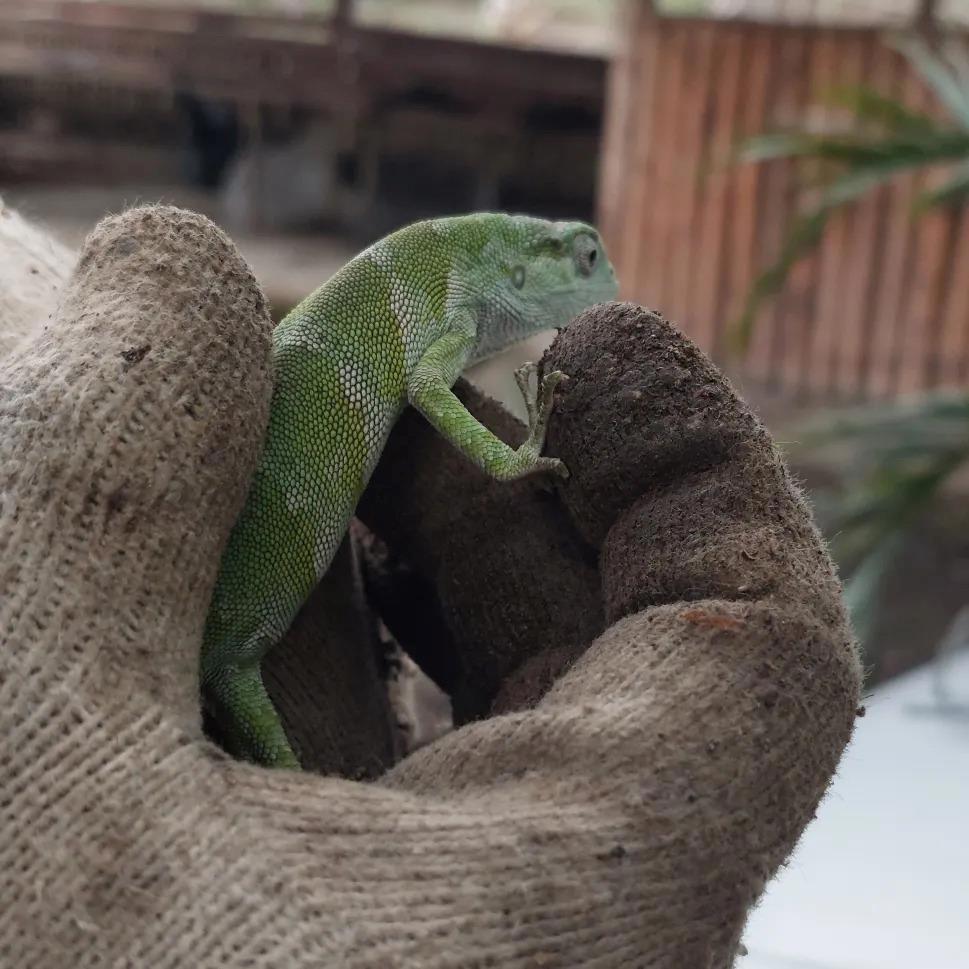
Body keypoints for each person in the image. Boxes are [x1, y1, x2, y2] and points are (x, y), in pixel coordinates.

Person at [0, 203, 861, 967]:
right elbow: (424, 384)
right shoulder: (442, 292)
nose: (595, 276)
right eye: (578, 258)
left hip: (235, 622)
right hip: (234, 635)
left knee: (254, 701)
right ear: (521, 264)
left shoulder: (435, 286)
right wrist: (507, 458)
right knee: (255, 709)